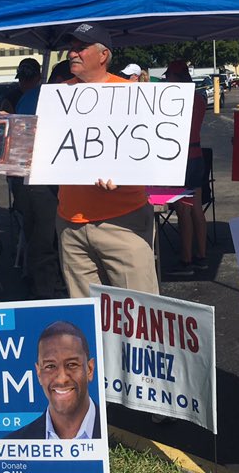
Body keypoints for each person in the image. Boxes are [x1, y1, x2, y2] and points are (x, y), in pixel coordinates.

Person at [54, 22, 159, 297]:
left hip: (122, 222)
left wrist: (126, 176)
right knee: (88, 318)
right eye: (71, 48)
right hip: (70, 224)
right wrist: (11, 130)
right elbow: (44, 148)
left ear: (103, 55)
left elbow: (153, 156)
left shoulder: (131, 95)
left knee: (140, 315)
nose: (72, 54)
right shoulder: (59, 95)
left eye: (80, 48)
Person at [6, 57, 65, 299]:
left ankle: (43, 286)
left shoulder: (27, 97)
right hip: (42, 178)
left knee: (39, 236)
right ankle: (47, 293)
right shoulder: (47, 98)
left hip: (31, 179)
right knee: (46, 238)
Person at [10, 320, 100, 439]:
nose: (62, 379)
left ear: (90, 369)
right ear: (38, 373)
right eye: (50, 366)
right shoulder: (16, 442)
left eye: (72, 364)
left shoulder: (107, 435)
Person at [164, 59, 208, 278]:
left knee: (184, 210)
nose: (165, 80)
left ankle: (186, 260)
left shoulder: (175, 99)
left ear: (176, 77)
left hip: (181, 159)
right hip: (197, 156)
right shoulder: (199, 98)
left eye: (168, 76)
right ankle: (201, 256)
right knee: (196, 208)